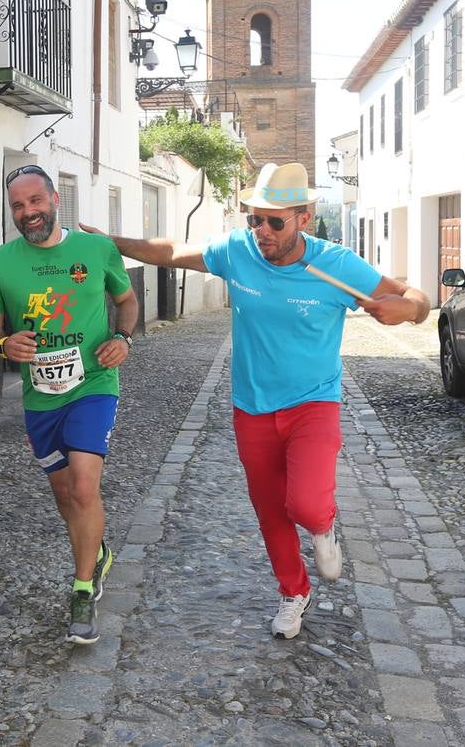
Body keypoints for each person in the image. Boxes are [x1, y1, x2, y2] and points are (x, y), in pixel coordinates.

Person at [81, 162, 429, 640]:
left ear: (304, 219)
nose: (261, 230)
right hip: (252, 408)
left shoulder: (336, 265)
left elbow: (418, 299)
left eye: (275, 221)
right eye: (254, 219)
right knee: (270, 511)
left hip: (313, 404)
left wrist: (406, 307)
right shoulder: (239, 252)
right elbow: (175, 251)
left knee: (305, 505)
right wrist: (112, 243)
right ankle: (293, 591)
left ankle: (323, 527)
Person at [0, 164, 138, 645]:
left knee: (85, 486)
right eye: (18, 206)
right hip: (40, 395)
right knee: (66, 494)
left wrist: (124, 338)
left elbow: (127, 302)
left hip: (94, 383)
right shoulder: (0, 263)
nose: (28, 213)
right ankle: (97, 551)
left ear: (54, 200)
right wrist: (4, 346)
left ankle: (83, 588)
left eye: (35, 202)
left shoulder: (95, 249)